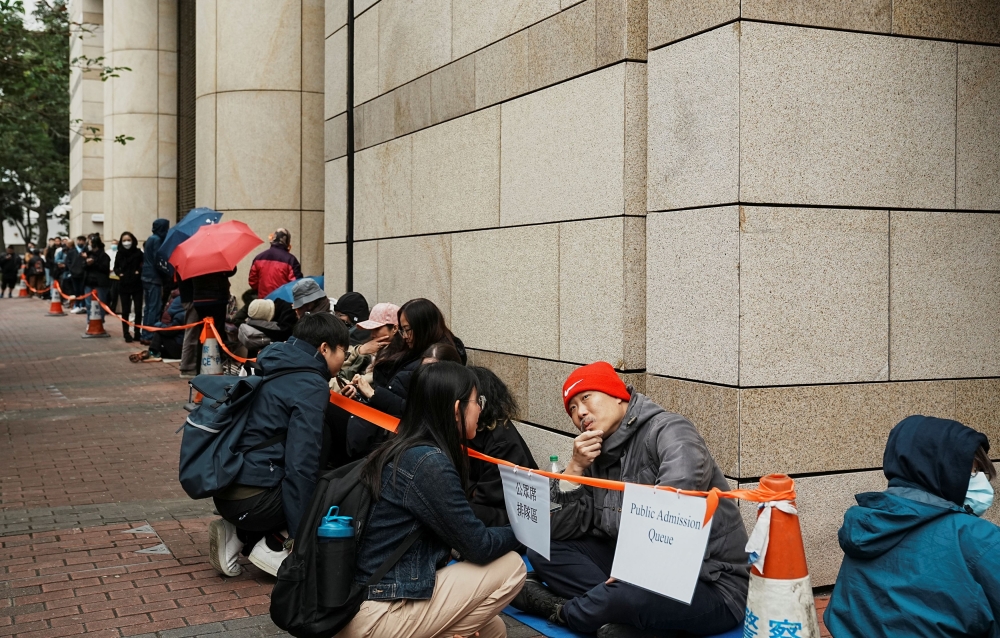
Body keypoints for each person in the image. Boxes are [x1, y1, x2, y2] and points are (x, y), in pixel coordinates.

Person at [512, 362, 748, 638]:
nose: (580, 413)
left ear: (617, 394)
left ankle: (563, 611)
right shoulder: (596, 454)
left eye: (586, 397)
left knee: (625, 595)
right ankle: (615, 613)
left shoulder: (670, 430)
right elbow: (560, 529)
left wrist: (633, 572)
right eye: (572, 408)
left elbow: (674, 505)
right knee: (544, 549)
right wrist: (574, 469)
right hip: (631, 568)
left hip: (710, 581)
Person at [335, 361, 526, 638]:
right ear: (455, 409)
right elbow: (479, 547)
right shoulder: (428, 463)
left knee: (492, 628)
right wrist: (529, 531)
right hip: (377, 612)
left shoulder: (403, 449)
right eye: (477, 401)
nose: (481, 409)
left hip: (363, 602)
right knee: (512, 566)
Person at [824, 415, 1000, 637]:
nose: (982, 481)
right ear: (941, 469)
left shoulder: (867, 525)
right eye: (973, 471)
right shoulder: (979, 539)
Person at [208, 313, 350, 578]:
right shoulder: (310, 383)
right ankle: (272, 547)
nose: (345, 359)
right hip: (253, 503)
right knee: (333, 486)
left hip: (228, 490)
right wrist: (299, 539)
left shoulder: (272, 361)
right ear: (324, 348)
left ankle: (238, 533)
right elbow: (301, 464)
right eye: (344, 351)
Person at [343, 298, 465, 458]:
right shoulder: (407, 350)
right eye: (403, 330)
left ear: (423, 327)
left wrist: (374, 394)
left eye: (407, 330)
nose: (405, 336)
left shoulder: (435, 359)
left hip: (398, 442)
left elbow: (419, 412)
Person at [467, 366, 539, 526]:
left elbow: (488, 497)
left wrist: (469, 489)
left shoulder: (500, 439)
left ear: (482, 403)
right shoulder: (471, 430)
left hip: (514, 516)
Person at [247, 228, 302, 298]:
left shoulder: (258, 258)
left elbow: (253, 282)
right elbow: (296, 285)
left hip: (264, 302)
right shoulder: (291, 260)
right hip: (283, 304)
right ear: (287, 242)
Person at [141, 219, 170, 343]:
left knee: (148, 307)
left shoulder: (150, 239)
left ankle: (145, 333)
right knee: (154, 307)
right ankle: (149, 335)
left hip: (146, 277)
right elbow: (158, 260)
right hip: (154, 278)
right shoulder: (157, 240)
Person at [112, 232, 143, 343]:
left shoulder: (138, 252)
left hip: (137, 284)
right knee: (126, 310)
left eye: (128, 240)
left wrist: (138, 272)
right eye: (124, 240)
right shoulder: (120, 253)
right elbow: (116, 267)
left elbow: (142, 265)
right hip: (124, 284)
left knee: (138, 310)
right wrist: (120, 274)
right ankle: (126, 333)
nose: (126, 242)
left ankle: (137, 332)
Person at [192, 268, 236, 344]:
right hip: (217, 297)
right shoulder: (218, 258)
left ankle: (201, 353)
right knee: (218, 331)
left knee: (203, 330)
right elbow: (231, 270)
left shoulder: (194, 258)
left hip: (199, 299)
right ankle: (217, 353)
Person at [81, 235, 111, 323]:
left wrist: (94, 263)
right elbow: (83, 266)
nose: (88, 245)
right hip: (88, 282)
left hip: (100, 284)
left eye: (89, 243)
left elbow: (105, 269)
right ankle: (89, 321)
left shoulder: (104, 256)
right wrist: (86, 263)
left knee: (100, 303)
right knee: (88, 304)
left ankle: (100, 321)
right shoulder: (88, 255)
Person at [65, 236, 87, 312]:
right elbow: (68, 262)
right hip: (74, 274)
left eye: (82, 240)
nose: (80, 242)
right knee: (76, 290)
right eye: (79, 240)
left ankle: (84, 305)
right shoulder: (72, 251)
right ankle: (77, 305)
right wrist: (72, 269)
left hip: (84, 273)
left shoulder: (86, 251)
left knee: (83, 290)